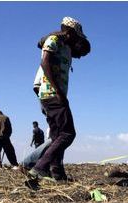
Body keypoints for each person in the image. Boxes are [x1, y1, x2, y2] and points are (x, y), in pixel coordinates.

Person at [29, 16, 89, 182]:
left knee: (57, 136)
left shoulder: (66, 47)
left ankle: (57, 173)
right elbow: (45, 61)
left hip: (54, 94)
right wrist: (57, 91)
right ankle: (39, 167)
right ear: (70, 32)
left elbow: (83, 50)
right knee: (68, 133)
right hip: (52, 94)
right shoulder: (54, 39)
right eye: (77, 36)